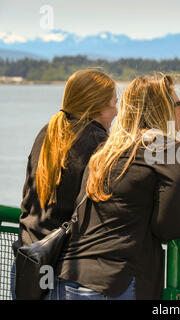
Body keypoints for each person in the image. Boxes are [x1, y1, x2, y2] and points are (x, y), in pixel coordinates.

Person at [47, 73, 180, 300]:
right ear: (164, 109)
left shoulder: (105, 152)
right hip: (114, 284)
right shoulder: (171, 153)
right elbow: (171, 229)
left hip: (66, 279)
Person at [10, 69, 118, 299]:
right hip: (67, 274)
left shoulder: (47, 132)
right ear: (98, 107)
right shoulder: (98, 142)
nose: (117, 112)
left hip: (28, 263)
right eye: (113, 104)